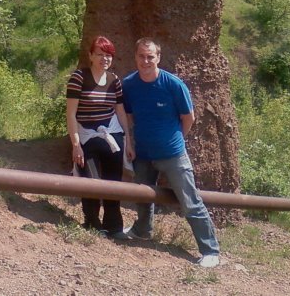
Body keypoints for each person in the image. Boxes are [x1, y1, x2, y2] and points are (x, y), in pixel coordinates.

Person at [120, 37, 221, 268]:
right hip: (143, 153)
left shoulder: (173, 84)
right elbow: (129, 116)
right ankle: (142, 231)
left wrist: (175, 140)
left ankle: (210, 251)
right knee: (142, 197)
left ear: (158, 58)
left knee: (190, 201)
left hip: (173, 154)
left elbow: (188, 117)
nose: (146, 61)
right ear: (135, 57)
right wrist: (130, 143)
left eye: (150, 56)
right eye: (141, 56)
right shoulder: (129, 85)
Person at [66, 36, 130, 239]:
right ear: (91, 56)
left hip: (111, 134)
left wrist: (128, 139)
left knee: (114, 181)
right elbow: (71, 114)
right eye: (100, 54)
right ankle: (92, 222)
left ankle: (114, 226)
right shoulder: (79, 78)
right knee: (90, 181)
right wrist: (76, 145)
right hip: (86, 135)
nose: (105, 59)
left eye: (108, 55)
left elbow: (120, 111)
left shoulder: (114, 80)